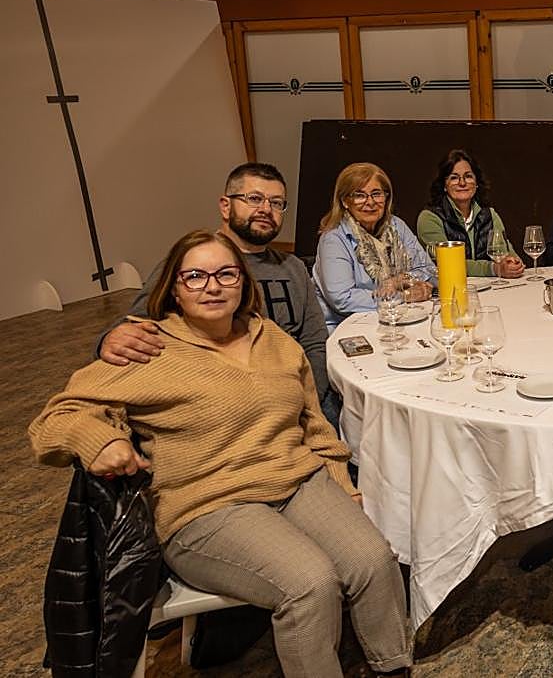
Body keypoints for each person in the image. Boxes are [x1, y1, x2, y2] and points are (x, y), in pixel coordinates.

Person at [30, 230, 412, 678]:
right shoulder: (148, 348)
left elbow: (314, 424)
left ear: (243, 283)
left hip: (296, 481)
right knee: (310, 584)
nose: (211, 286)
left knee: (374, 560)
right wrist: (100, 441)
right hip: (207, 505)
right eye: (194, 276)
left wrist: (344, 487)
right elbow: (54, 420)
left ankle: (392, 666)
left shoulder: (271, 337)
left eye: (225, 274)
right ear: (173, 287)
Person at [96, 163, 341, 428]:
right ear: (225, 206)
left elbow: (315, 342)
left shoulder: (292, 267)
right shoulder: (192, 263)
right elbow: (137, 322)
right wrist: (108, 339)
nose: (266, 210)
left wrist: (301, 395)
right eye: (254, 199)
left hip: (294, 389)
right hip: (223, 401)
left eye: (276, 203)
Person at [314, 162, 435, 330]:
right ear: (345, 201)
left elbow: (428, 270)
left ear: (386, 197)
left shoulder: (396, 226)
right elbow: (343, 298)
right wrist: (404, 295)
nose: (370, 202)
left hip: (397, 320)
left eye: (376, 194)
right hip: (347, 328)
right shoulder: (333, 239)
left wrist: (399, 280)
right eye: (359, 195)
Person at [415, 148, 525, 278]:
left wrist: (513, 262)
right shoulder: (429, 218)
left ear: (476, 183)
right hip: (450, 289)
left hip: (492, 288)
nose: (462, 183)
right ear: (444, 185)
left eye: (468, 176)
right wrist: (494, 269)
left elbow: (504, 251)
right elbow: (448, 263)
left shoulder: (489, 214)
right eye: (454, 178)